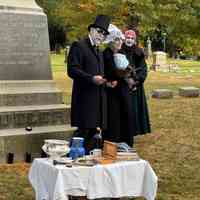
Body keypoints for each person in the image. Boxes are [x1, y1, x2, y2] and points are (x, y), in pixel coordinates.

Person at [67, 15, 111, 153]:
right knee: (82, 133)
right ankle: (70, 159)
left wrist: (107, 83)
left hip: (98, 101)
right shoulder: (79, 46)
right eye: (99, 31)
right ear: (91, 30)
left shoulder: (99, 51)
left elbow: (100, 74)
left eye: (104, 34)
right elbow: (72, 70)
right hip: (84, 100)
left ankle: (87, 165)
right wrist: (91, 78)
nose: (101, 35)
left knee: (92, 135)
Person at [103, 24, 136, 147]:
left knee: (127, 117)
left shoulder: (122, 53)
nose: (120, 42)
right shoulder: (106, 54)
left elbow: (130, 69)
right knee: (114, 121)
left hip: (124, 92)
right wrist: (114, 77)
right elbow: (107, 73)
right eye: (117, 39)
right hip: (112, 93)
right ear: (110, 41)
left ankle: (126, 145)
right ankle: (112, 147)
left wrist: (129, 74)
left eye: (120, 39)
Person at [120, 29, 151, 135]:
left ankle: (135, 130)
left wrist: (136, 80)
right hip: (122, 85)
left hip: (135, 86)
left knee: (135, 109)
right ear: (124, 38)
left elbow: (143, 69)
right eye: (128, 38)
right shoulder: (120, 50)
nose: (129, 40)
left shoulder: (139, 52)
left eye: (132, 38)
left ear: (135, 40)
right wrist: (125, 78)